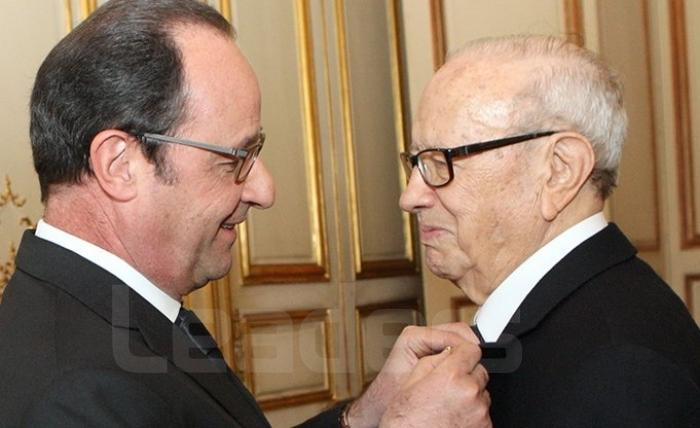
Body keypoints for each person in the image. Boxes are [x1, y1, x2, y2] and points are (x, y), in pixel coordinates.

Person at [0, 1, 492, 427]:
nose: (265, 188)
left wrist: (366, 416)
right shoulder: (73, 394)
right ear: (121, 165)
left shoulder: (113, 313)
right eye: (235, 158)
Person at [399, 34, 700, 427]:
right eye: (418, 162)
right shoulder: (570, 321)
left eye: (443, 161)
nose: (411, 197)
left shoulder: (618, 369)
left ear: (560, 170)